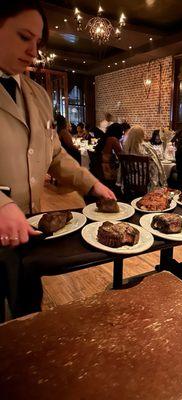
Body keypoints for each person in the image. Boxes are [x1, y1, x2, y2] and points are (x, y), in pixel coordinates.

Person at [0, 0, 115, 319]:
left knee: (27, 309)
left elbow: (53, 154)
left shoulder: (38, 95)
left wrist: (92, 184)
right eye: (24, 37)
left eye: (37, 42)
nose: (33, 51)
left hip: (31, 228)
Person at [123, 125, 167, 190]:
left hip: (130, 179)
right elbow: (155, 163)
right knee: (154, 167)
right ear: (142, 135)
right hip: (144, 181)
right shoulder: (146, 148)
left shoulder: (126, 148)